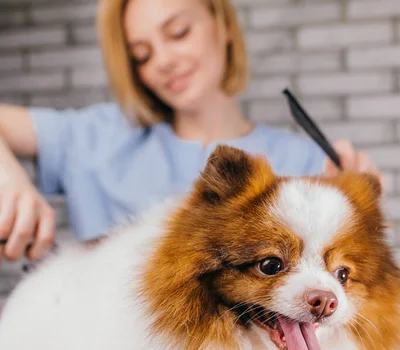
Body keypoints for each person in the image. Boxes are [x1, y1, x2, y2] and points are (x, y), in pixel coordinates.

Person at [0, 0, 381, 264]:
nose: (164, 61)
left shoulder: (305, 164)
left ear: (223, 24)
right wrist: (9, 178)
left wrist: (354, 214)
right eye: (142, 55)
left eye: (178, 32)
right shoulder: (97, 138)